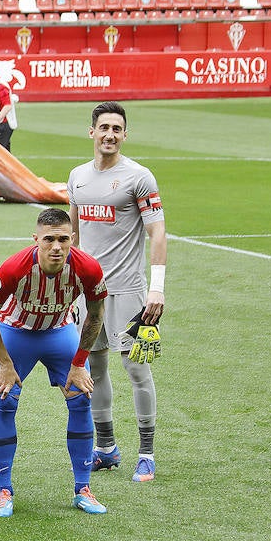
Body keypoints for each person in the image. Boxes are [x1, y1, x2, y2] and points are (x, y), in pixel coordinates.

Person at [0, 208, 109, 517]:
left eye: (63, 239)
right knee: (6, 400)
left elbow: (97, 315)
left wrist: (79, 363)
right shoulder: (15, 268)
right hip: (15, 333)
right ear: (36, 239)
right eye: (49, 239)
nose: (56, 247)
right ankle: (4, 490)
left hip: (59, 334)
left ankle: (83, 489)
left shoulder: (88, 268)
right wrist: (5, 363)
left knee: (81, 400)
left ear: (72, 239)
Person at [68, 101, 167, 483]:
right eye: (103, 127)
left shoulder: (139, 177)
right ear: (92, 131)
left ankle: (146, 453)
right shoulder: (77, 177)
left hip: (130, 292)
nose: (110, 134)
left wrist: (156, 288)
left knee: (137, 368)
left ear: (125, 135)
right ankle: (106, 448)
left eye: (117, 128)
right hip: (88, 294)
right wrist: (68, 287)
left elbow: (157, 231)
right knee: (94, 366)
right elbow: (73, 236)